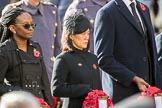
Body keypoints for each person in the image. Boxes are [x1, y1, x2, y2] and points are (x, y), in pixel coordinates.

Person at [94, 0, 160, 103]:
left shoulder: (144, 9)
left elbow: (151, 53)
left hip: (148, 94)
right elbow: (104, 59)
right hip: (124, 96)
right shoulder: (107, 13)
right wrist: (133, 78)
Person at [0, 7, 54, 107]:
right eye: (26, 25)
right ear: (12, 28)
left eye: (32, 24)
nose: (31, 28)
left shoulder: (36, 47)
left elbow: (44, 82)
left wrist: (50, 105)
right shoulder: (4, 51)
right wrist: (19, 91)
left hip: (39, 103)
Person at [51, 12, 102, 108]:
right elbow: (56, 89)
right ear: (71, 36)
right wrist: (83, 89)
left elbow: (99, 88)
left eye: (88, 33)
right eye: (83, 33)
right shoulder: (63, 59)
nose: (86, 37)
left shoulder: (93, 58)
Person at [2, 0, 62, 81]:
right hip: (20, 79)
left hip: (48, 76)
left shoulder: (52, 10)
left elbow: (58, 48)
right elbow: (3, 47)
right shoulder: (12, 10)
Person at [64, 0, 113, 98]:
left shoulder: (115, 5)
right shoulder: (79, 7)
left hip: (112, 72)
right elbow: (68, 46)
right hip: (89, 75)